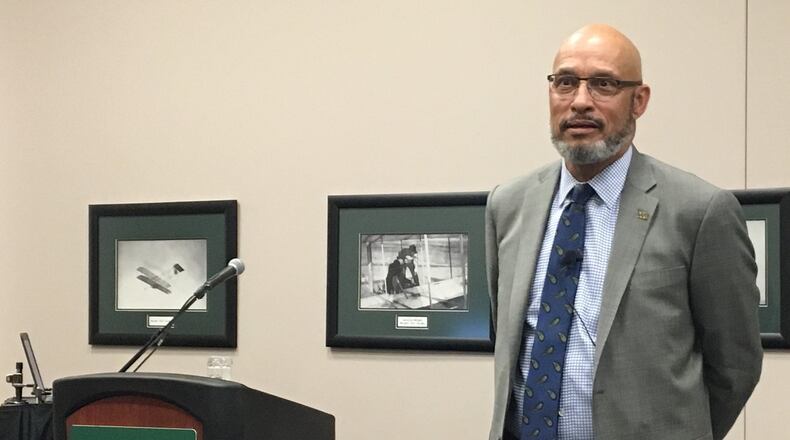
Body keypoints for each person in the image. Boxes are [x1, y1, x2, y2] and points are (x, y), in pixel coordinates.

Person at [485, 24, 762, 440]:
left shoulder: (700, 211)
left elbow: (735, 367)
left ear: (639, 100)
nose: (580, 101)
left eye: (603, 84)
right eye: (565, 82)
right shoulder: (508, 205)